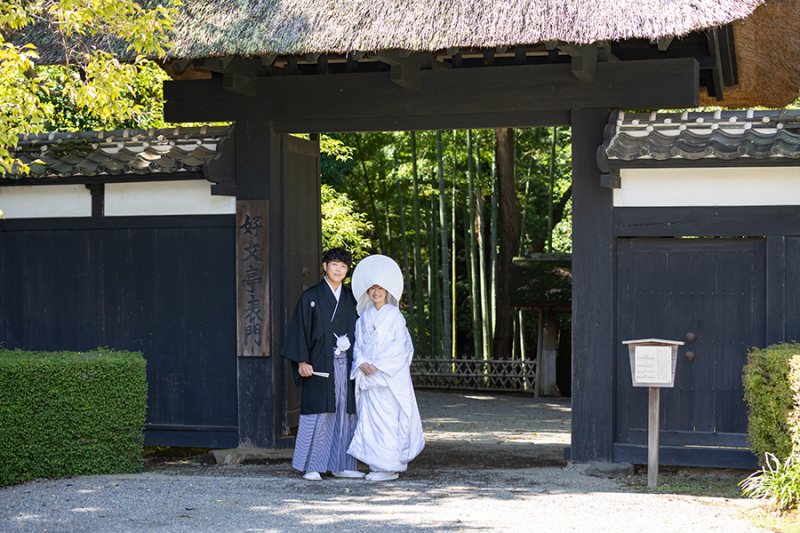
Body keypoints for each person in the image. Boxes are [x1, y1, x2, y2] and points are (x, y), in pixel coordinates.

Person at [280, 247, 364, 481]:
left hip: (345, 364)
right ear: (325, 267)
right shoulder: (311, 297)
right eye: (334, 264)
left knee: (345, 413)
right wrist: (302, 361)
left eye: (344, 266)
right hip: (319, 364)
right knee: (318, 412)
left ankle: (342, 464)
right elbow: (300, 330)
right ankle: (311, 466)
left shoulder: (350, 298)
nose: (339, 269)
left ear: (347, 271)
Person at [347, 254, 425, 481]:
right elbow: (358, 345)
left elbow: (400, 348)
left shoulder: (395, 317)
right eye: (372, 288)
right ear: (367, 292)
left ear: (387, 291)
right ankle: (376, 465)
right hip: (368, 377)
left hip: (387, 379)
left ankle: (390, 467)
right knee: (370, 421)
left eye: (380, 288)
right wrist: (362, 363)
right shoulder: (362, 318)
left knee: (389, 420)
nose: (376, 292)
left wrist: (378, 366)